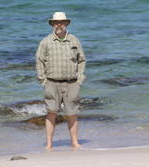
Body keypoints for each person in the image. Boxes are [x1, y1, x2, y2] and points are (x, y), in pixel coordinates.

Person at [36, 12, 86, 150]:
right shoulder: (45, 42)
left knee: (72, 113)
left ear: (66, 24)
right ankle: (49, 144)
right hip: (51, 83)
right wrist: (43, 81)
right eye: (56, 22)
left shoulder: (74, 40)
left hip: (72, 83)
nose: (59, 25)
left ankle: (74, 142)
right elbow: (39, 62)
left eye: (62, 22)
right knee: (51, 112)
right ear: (52, 24)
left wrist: (79, 79)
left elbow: (81, 60)